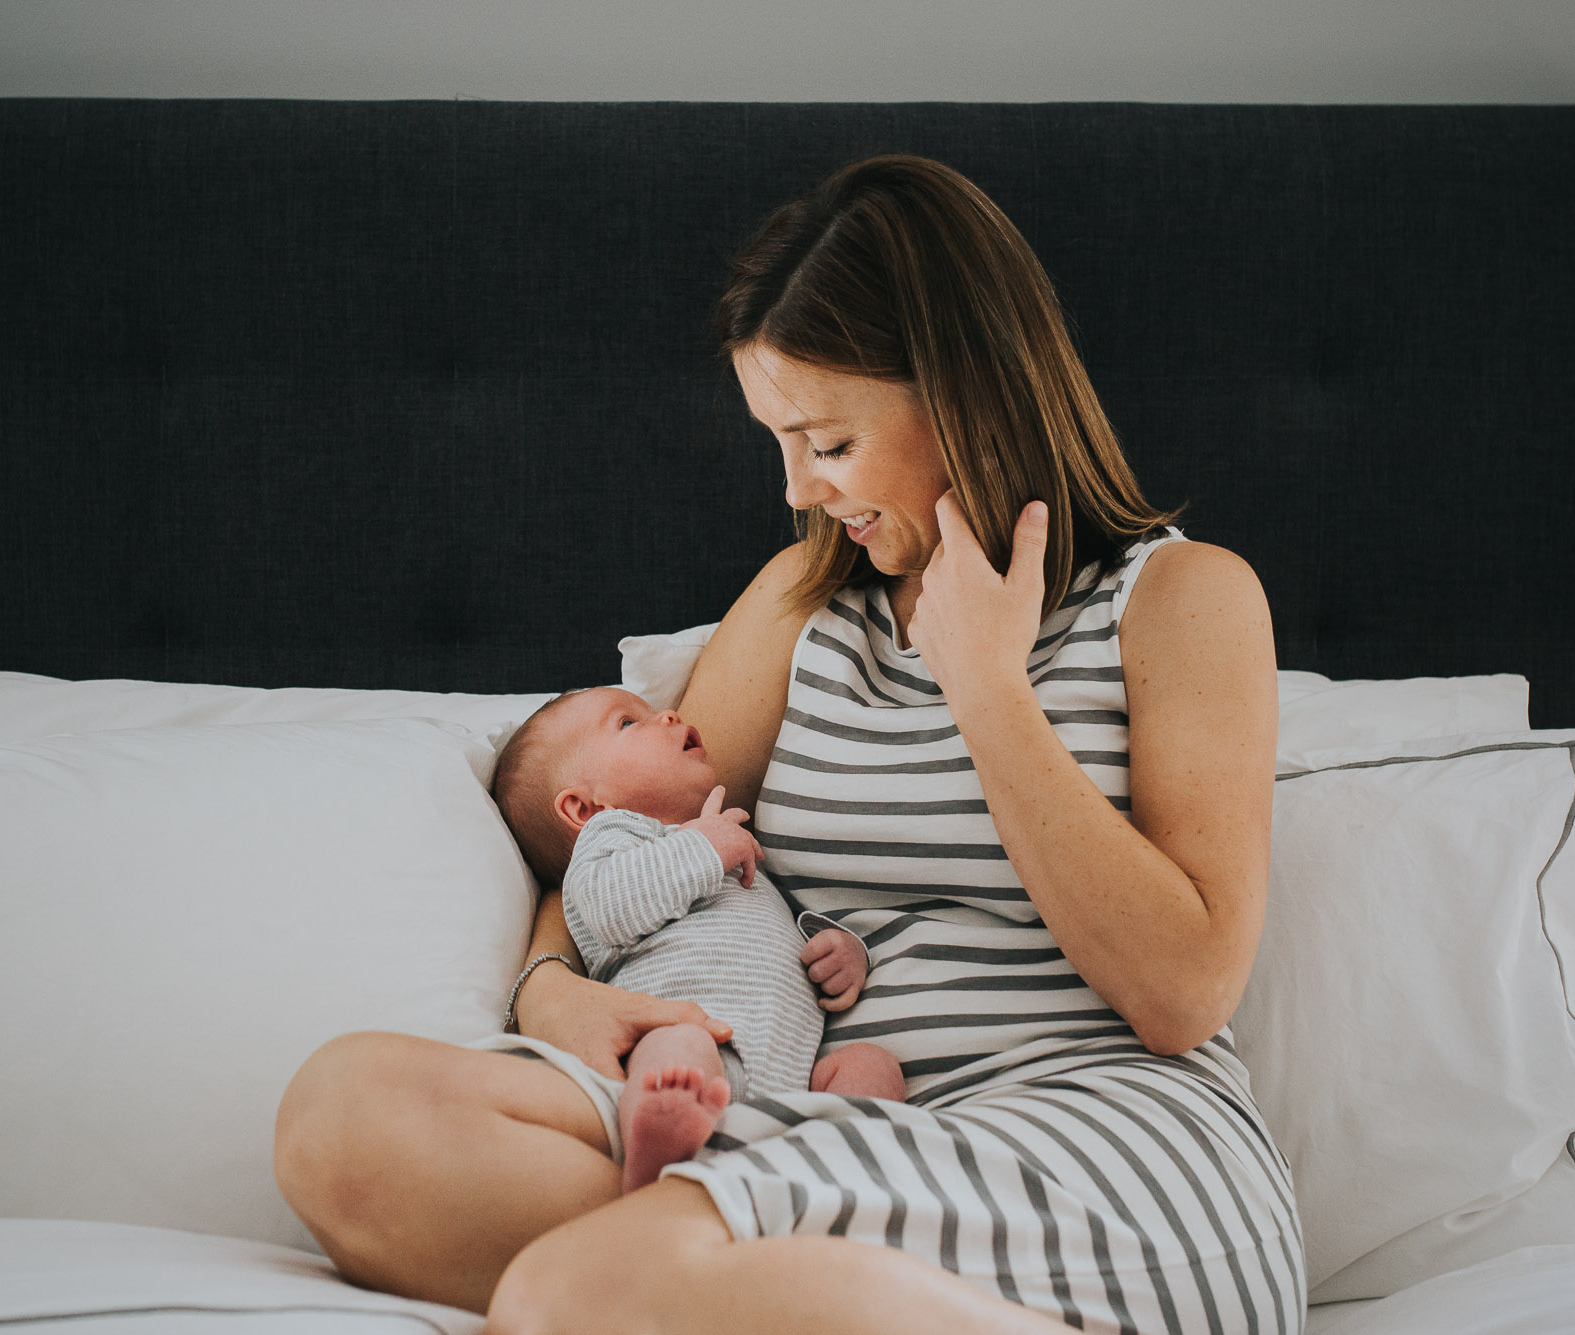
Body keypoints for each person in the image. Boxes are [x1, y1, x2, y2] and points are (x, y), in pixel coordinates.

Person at [275, 154, 1300, 1335]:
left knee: (571, 1291)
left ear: (962, 392)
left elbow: (1181, 992)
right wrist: (550, 990)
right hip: (830, 1123)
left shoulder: (1180, 601)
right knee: (344, 1120)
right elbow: (623, 831)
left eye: (826, 441)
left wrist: (985, 687)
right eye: (778, 441)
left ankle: (704, 1284)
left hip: (1092, 1147)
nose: (800, 491)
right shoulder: (803, 606)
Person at [488, 684, 907, 1194]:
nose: (667, 715)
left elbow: (781, 923)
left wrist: (842, 950)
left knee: (871, 1066)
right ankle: (657, 1151)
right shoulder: (613, 843)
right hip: (693, 1044)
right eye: (627, 722)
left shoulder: (722, 841)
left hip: (791, 1081)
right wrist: (704, 848)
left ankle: (845, 1175)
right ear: (583, 808)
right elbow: (609, 909)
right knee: (676, 1047)